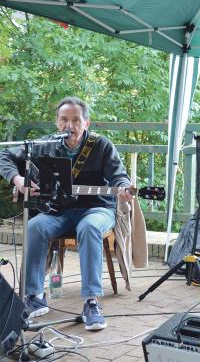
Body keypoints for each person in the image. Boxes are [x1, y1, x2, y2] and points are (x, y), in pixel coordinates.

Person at [0, 96, 133, 331]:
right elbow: (5, 156)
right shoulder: (46, 144)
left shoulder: (102, 146)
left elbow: (119, 176)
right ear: (57, 122)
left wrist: (123, 188)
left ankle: (91, 301)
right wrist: (19, 180)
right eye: (64, 120)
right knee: (35, 226)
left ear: (86, 123)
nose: (69, 125)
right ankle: (34, 295)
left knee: (89, 227)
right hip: (58, 210)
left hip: (97, 209)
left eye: (75, 120)